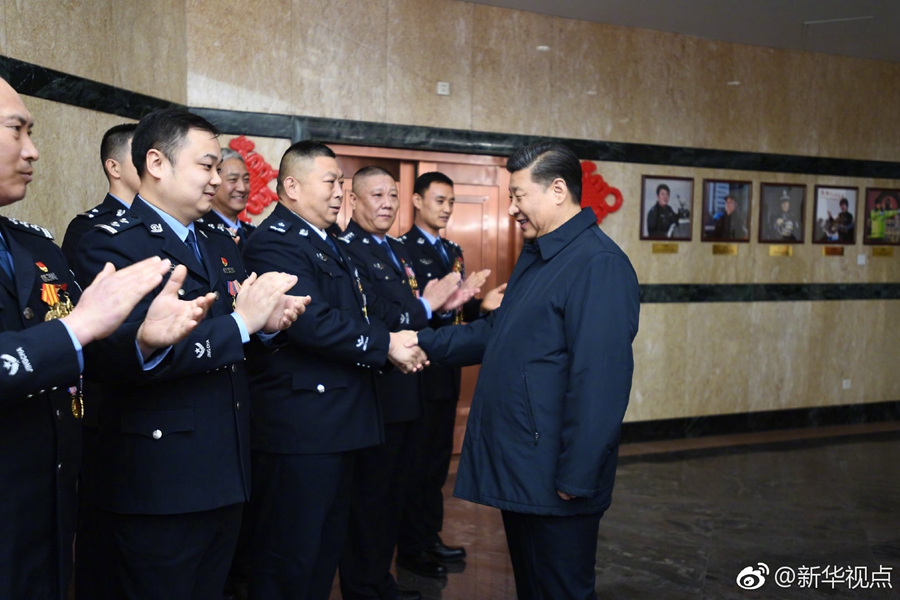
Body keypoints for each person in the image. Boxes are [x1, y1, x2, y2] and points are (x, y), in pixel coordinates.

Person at [72, 108, 307, 599]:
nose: (217, 179)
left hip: (225, 468)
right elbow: (122, 355)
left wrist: (265, 328)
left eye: (219, 167)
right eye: (206, 166)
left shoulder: (218, 241)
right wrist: (241, 323)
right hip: (158, 479)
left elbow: (236, 346)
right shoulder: (108, 240)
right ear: (157, 163)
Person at [0, 77, 216, 600]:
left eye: (32, 132)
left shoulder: (33, 246)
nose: (33, 150)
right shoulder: (97, 236)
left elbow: (89, 353)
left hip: (45, 503)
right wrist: (75, 328)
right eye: (16, 130)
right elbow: (71, 334)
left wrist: (142, 340)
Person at [410, 142, 640, 600]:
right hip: (527, 468)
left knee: (561, 590)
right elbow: (497, 331)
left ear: (558, 190)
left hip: (557, 476)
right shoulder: (540, 255)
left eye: (518, 196)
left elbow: (599, 384)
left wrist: (577, 477)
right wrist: (416, 341)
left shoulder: (597, 264)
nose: (512, 208)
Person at [240, 141, 428, 599]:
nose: (340, 192)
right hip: (301, 429)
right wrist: (385, 345)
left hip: (336, 424)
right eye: (330, 182)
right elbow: (312, 322)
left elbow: (354, 312)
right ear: (292, 186)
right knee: (290, 558)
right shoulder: (275, 242)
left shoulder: (323, 240)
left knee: (322, 555)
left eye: (341, 183)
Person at [336, 167, 476, 600]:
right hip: (377, 392)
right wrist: (426, 307)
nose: (386, 204)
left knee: (394, 495)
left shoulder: (394, 248)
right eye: (376, 195)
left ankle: (382, 580)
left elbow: (409, 309)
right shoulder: (348, 248)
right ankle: (364, 586)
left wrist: (445, 306)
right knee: (370, 499)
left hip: (408, 390)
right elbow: (373, 315)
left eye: (392, 195)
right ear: (354, 200)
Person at [397, 171, 505, 578]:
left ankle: (429, 537)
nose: (446, 209)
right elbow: (412, 313)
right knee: (416, 464)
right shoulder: (402, 250)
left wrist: (481, 307)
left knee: (437, 462)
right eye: (439, 200)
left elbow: (457, 313)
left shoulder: (452, 250)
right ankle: (411, 547)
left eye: (451, 202)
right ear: (417, 201)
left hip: (448, 371)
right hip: (417, 368)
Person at [61, 123, 141, 263]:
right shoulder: (87, 228)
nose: (152, 165)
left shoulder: (164, 220)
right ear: (114, 167)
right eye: (141, 157)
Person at [202, 147, 256, 250]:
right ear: (213, 182)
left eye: (246, 179)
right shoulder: (201, 230)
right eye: (233, 180)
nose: (242, 188)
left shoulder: (253, 233)